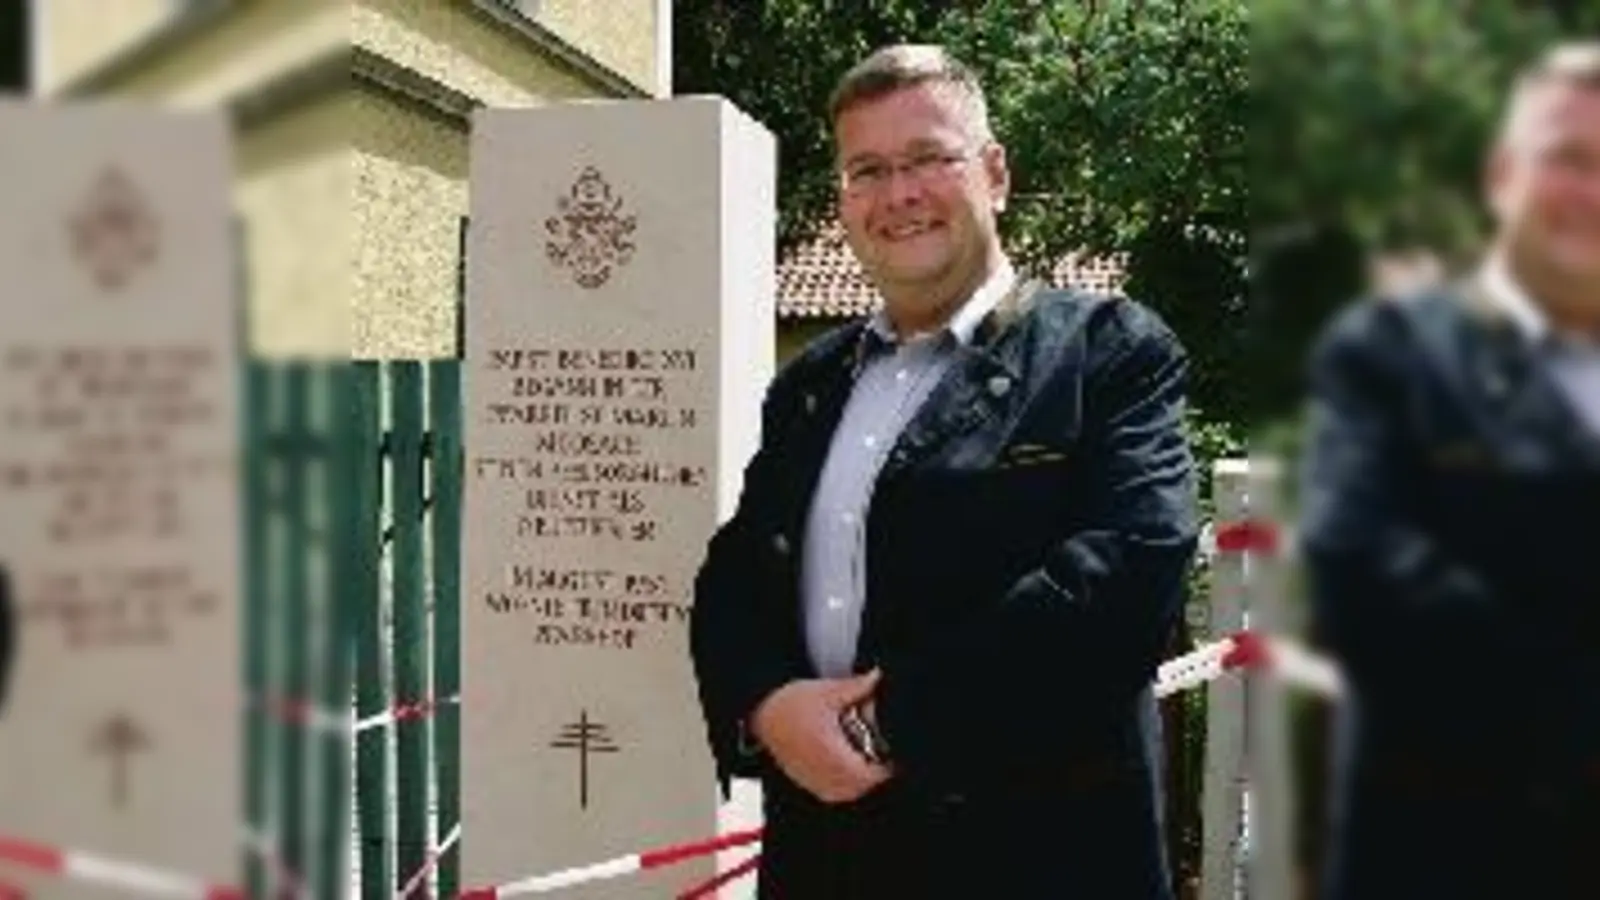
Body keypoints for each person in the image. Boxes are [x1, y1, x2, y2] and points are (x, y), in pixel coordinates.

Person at [689, 44, 1199, 899]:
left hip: (1035, 859)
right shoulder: (810, 385)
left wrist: (884, 723)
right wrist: (767, 706)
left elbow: (1126, 577)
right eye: (868, 170)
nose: (899, 194)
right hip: (825, 861)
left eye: (929, 158)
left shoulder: (1106, 352)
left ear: (995, 174)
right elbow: (736, 575)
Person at [1300, 42, 1600, 900]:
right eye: (1569, 159)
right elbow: (1361, 571)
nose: (1593, 192)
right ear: (1503, 174)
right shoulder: (1392, 352)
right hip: (1451, 853)